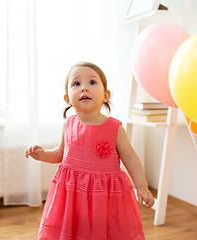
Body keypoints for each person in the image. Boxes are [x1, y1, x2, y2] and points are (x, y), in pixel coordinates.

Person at [25, 61, 154, 239]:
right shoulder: (68, 124)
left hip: (103, 198)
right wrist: (42, 155)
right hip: (71, 195)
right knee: (73, 230)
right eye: (76, 83)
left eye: (92, 82)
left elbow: (130, 158)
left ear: (106, 95)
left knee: (99, 232)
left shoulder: (114, 128)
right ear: (67, 99)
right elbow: (61, 153)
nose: (84, 88)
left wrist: (141, 186)